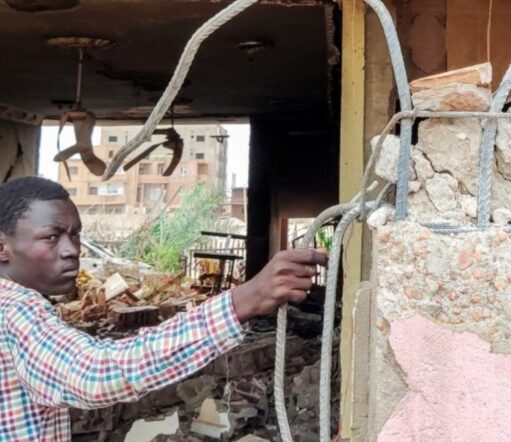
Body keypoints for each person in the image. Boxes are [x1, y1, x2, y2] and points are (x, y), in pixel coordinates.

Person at [0, 176, 327, 441]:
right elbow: (96, 372)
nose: (72, 250)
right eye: (51, 237)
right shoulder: (17, 310)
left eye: (75, 235)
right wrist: (242, 301)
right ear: (2, 247)